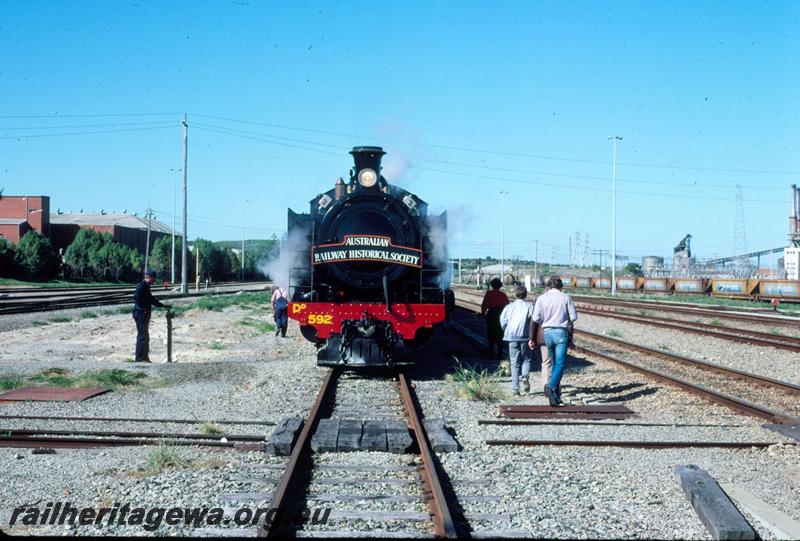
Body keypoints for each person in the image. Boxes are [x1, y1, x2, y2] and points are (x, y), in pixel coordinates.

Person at [531, 276, 578, 406]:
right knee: (560, 364)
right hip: (561, 333)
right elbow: (573, 317)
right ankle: (551, 387)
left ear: (548, 286)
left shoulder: (541, 298)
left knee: (553, 364)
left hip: (547, 333)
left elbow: (536, 318)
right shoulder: (565, 297)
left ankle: (555, 397)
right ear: (560, 286)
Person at [500, 284, 535, 395]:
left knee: (514, 363)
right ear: (525, 294)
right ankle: (524, 377)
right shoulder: (530, 306)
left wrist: (507, 330)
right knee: (526, 359)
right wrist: (532, 336)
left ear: (515, 295)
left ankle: (515, 389)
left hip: (512, 337)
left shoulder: (508, 307)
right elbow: (534, 322)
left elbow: (503, 322)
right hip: (525, 337)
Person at [133, 269, 170, 363]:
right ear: (148, 277)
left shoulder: (146, 286)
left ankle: (145, 358)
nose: (154, 281)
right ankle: (139, 359)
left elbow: (151, 299)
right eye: (153, 279)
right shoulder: (142, 286)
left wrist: (162, 305)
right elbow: (136, 297)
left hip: (143, 313)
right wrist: (142, 309)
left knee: (145, 336)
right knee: (142, 336)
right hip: (140, 314)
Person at [481, 278, 509, 358]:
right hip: (501, 314)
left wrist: (484, 314)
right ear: (500, 286)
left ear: (492, 285)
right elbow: (507, 306)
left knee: (491, 333)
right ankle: (500, 353)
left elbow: (484, 305)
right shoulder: (503, 295)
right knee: (500, 334)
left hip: (491, 314)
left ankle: (490, 352)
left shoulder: (489, 294)